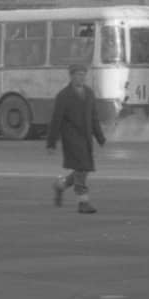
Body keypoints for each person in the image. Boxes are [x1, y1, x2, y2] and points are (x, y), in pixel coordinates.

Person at [46, 63, 107, 214]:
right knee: (82, 167)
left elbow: (94, 117)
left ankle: (60, 185)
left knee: (83, 168)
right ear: (71, 76)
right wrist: (51, 142)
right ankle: (83, 202)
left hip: (86, 137)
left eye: (83, 74)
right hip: (71, 138)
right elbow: (56, 120)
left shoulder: (89, 93)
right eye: (78, 74)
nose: (81, 77)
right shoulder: (63, 96)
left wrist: (100, 137)